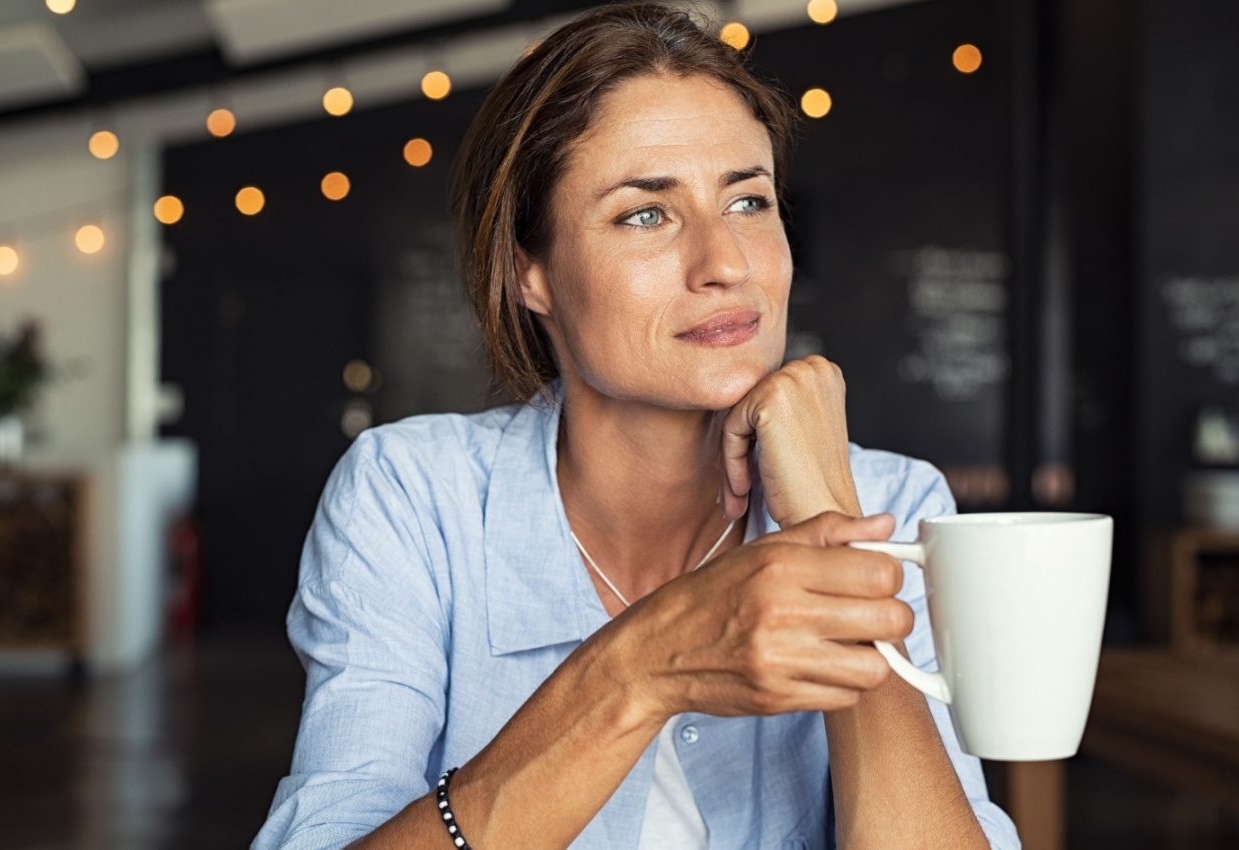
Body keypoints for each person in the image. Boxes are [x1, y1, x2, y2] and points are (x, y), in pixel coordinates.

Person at [253, 3, 1020, 848]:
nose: (726, 263)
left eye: (749, 201)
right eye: (646, 214)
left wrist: (828, 523)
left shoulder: (894, 503)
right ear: (529, 270)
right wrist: (639, 670)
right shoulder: (413, 498)